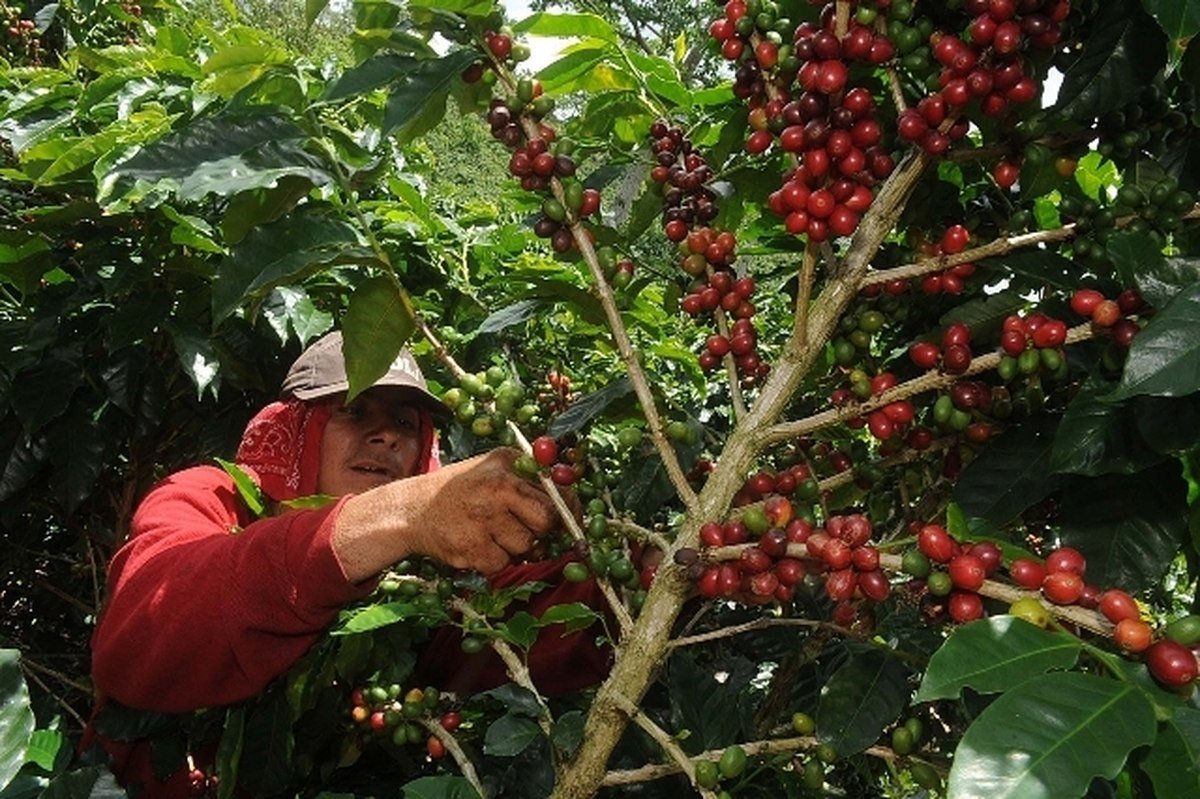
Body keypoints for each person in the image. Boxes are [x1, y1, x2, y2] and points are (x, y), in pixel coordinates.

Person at [84, 331, 612, 796]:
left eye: (405, 422)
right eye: (354, 410)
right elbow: (143, 634)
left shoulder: (411, 582)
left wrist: (647, 574)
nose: (387, 437)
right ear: (300, 430)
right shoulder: (213, 498)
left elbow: (510, 624)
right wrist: (398, 514)